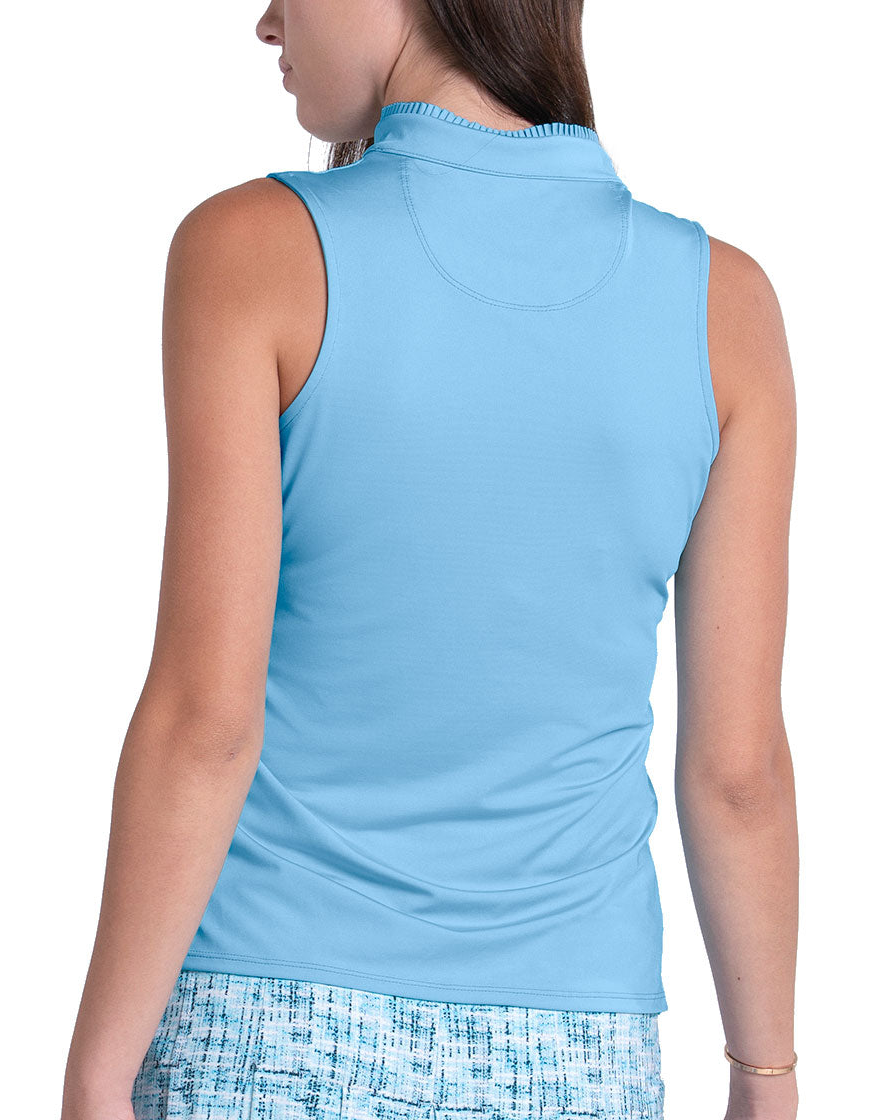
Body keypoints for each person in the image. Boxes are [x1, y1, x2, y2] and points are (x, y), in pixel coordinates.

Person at [60, 2, 799, 1118]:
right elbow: (737, 776)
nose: (267, 21)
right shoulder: (725, 306)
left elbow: (205, 724)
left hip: (269, 1034)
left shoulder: (251, 251)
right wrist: (764, 1075)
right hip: (579, 1059)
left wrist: (95, 1075)